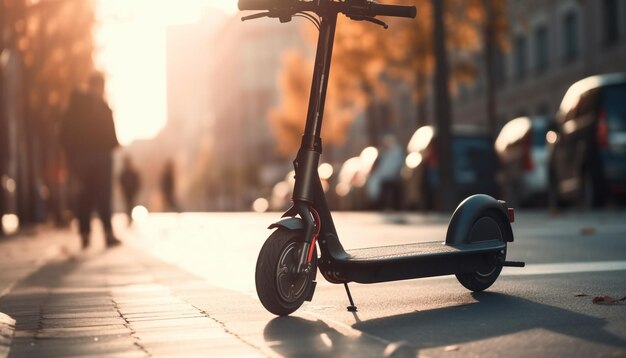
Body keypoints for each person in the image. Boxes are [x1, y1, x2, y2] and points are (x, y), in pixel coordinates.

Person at [60, 73, 121, 249]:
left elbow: (111, 134)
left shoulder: (103, 107)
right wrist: (72, 155)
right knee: (86, 195)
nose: (100, 91)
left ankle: (106, 233)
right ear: (91, 86)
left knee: (102, 195)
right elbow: (66, 133)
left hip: (100, 156)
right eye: (98, 87)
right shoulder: (78, 106)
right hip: (85, 157)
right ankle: (86, 233)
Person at [118, 155, 141, 225]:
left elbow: (137, 182)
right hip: (126, 192)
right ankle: (129, 218)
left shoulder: (133, 172)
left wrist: (136, 190)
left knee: (131, 205)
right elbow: (121, 181)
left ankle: (130, 218)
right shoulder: (124, 173)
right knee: (128, 205)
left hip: (132, 192)